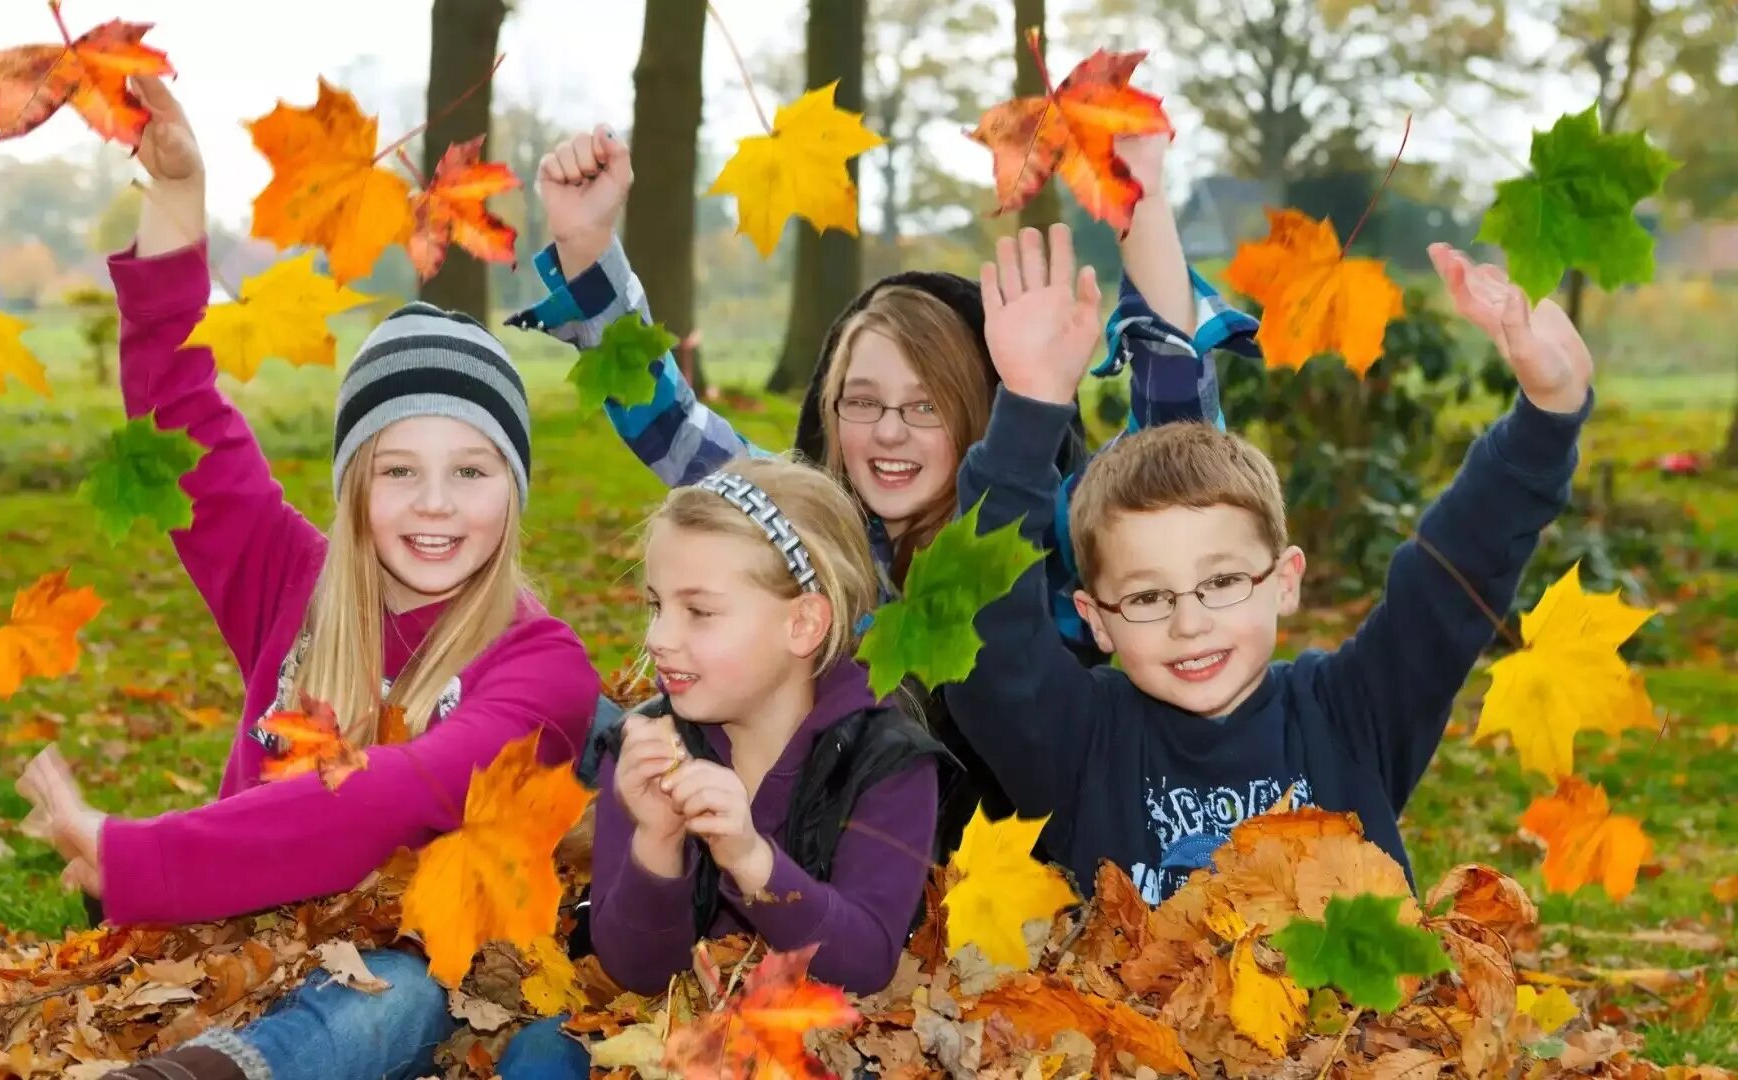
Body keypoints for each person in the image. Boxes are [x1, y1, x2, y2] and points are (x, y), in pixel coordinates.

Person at [14, 75, 600, 1080]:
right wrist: (175, 204)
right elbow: (179, 421)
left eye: (471, 472)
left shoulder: (542, 670)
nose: (433, 505)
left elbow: (379, 801)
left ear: (515, 490)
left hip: (425, 975)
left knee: (394, 994)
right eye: (398, 470)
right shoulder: (296, 582)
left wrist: (139, 859)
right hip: (231, 948)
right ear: (353, 485)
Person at [514, 126, 1259, 851]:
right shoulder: (807, 525)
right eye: (862, 401)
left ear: (975, 410)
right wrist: (586, 246)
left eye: (925, 405)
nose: (889, 431)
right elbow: (667, 419)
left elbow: (1175, 443)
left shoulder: (1038, 534)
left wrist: (1145, 205)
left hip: (1006, 878)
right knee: (566, 715)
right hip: (808, 857)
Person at [945, 230, 1595, 904]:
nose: (1189, 623)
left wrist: (1547, 415)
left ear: (1284, 580)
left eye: (1222, 582)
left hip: (1349, 1013)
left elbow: (1448, 579)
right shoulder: (1081, 740)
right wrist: (1028, 408)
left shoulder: (1350, 716)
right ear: (1095, 619)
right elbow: (986, 635)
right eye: (1146, 599)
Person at [499, 455, 945, 1077]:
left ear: (802, 624)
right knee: (541, 1053)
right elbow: (636, 972)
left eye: (699, 612)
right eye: (656, 605)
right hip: (673, 1030)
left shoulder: (885, 762)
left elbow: (867, 963)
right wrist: (657, 841)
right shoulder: (649, 744)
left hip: (815, 1043)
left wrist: (748, 858)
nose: (657, 637)